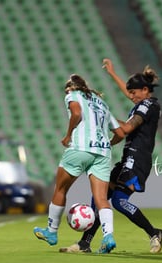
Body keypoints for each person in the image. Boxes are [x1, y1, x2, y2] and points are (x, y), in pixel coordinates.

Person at [60, 59, 162, 254]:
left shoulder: (149, 105)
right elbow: (122, 127)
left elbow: (125, 129)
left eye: (134, 93)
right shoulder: (142, 103)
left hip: (138, 161)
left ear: (144, 90)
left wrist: (101, 116)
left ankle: (154, 233)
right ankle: (85, 243)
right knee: (100, 197)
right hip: (127, 160)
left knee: (118, 201)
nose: (131, 96)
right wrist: (112, 72)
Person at [33, 74, 124, 253]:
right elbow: (120, 133)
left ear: (72, 87)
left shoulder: (73, 95)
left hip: (80, 149)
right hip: (103, 153)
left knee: (60, 189)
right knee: (101, 199)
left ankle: (51, 232)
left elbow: (76, 113)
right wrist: (106, 144)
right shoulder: (102, 104)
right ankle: (108, 236)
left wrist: (68, 135)